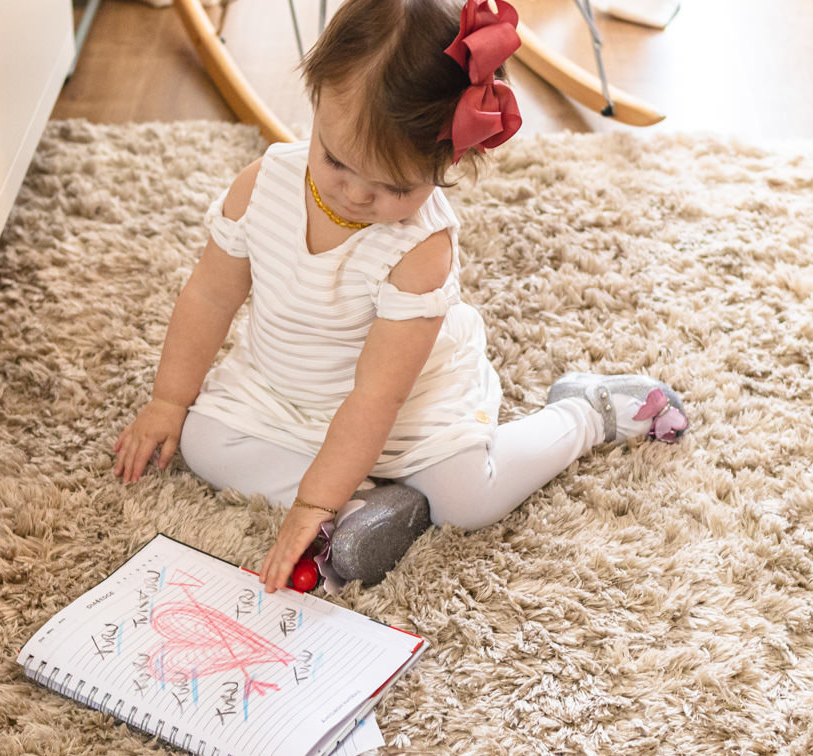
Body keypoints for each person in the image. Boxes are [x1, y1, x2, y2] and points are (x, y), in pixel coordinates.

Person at [113, 0, 687, 593]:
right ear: (314, 101)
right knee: (203, 439)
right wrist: (167, 400)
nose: (356, 195)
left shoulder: (419, 250)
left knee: (468, 498)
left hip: (403, 405)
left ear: (445, 165)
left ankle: (585, 413)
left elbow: (376, 396)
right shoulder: (262, 186)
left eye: (394, 187)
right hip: (283, 387)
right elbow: (208, 296)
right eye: (335, 160)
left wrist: (312, 502)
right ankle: (369, 506)